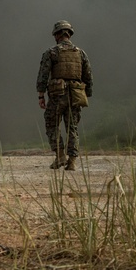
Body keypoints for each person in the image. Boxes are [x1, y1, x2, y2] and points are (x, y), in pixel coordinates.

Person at [36, 20, 93, 170]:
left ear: (57, 34)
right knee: (72, 127)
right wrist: (87, 94)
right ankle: (72, 161)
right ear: (69, 34)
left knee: (52, 124)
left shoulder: (52, 52)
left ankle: (60, 155)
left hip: (57, 94)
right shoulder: (80, 53)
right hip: (75, 95)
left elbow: (43, 75)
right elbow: (88, 76)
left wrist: (41, 95)